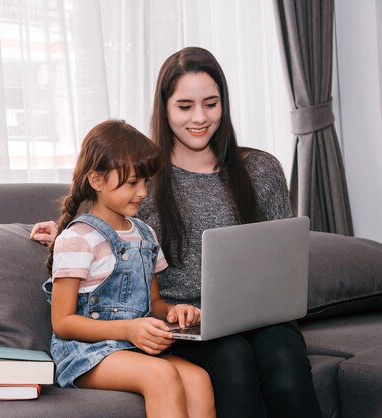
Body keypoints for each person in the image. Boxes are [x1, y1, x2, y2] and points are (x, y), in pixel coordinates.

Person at [31, 47, 322, 418]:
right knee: (232, 358)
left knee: (282, 353)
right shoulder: (147, 178)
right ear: (164, 109)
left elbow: (284, 255)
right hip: (180, 324)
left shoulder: (261, 169)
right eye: (185, 106)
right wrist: (60, 233)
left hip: (257, 316)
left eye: (211, 104)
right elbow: (105, 219)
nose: (199, 118)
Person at [42, 119, 215, 418]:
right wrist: (128, 330)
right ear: (96, 180)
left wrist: (175, 312)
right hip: (85, 353)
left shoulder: (145, 233)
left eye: (146, 182)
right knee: (161, 376)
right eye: (132, 183)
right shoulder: (77, 239)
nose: (143, 192)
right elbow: (63, 322)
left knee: (198, 379)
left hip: (132, 347)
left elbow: (155, 303)